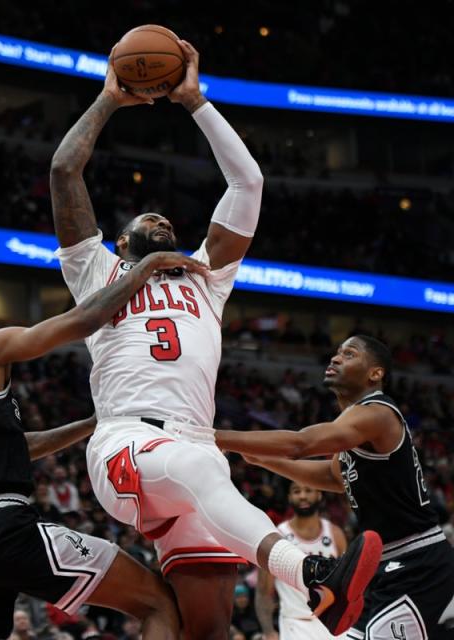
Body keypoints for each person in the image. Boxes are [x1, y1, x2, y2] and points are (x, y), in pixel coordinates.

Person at [51, 38, 381, 638]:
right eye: (146, 221)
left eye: (168, 222)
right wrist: (106, 100)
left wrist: (197, 101)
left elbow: (248, 181)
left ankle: (316, 581)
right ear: (120, 243)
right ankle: (313, 575)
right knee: (207, 471)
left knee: (207, 628)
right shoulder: (96, 273)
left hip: (192, 448)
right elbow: (63, 169)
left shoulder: (207, 278)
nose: (161, 222)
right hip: (127, 443)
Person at [0, 247, 206, 638]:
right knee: (156, 601)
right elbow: (84, 319)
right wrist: (147, 266)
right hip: (1, 528)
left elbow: (15, 447)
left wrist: (91, 423)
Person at [217, 335, 454, 639]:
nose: (335, 358)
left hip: (418, 561)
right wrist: (264, 460)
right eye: (336, 353)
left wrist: (213, 436)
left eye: (349, 354)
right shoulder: (354, 424)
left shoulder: (378, 412)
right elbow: (335, 477)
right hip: (386, 566)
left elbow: (301, 443)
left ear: (376, 373)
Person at [255, 482, 348, 640]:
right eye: (296, 491)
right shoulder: (277, 537)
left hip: (333, 624)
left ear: (319, 495)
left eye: (308, 490)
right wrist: (269, 631)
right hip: (296, 624)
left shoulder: (335, 533)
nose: (303, 495)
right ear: (289, 497)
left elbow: (347, 584)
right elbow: (264, 591)